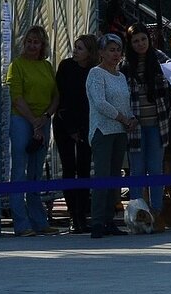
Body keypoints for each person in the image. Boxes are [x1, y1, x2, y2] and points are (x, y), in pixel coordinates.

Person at [6, 25, 59, 236]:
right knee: (19, 170)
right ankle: (21, 223)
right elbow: (16, 97)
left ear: (42, 45)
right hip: (21, 119)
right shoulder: (16, 65)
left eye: (36, 42)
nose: (32, 45)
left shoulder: (47, 67)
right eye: (29, 41)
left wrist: (44, 118)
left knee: (36, 172)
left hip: (43, 119)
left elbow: (56, 95)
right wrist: (33, 121)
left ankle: (39, 221)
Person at [123, 24, 171, 232]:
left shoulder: (161, 59)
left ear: (149, 39)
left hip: (157, 122)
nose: (140, 44)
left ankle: (156, 213)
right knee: (136, 171)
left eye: (143, 39)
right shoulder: (125, 64)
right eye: (135, 41)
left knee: (155, 169)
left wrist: (170, 114)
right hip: (134, 125)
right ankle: (136, 215)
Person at [86, 33, 137, 238]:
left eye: (118, 50)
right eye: (111, 50)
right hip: (103, 131)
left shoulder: (121, 76)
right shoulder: (96, 74)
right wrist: (123, 118)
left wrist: (131, 118)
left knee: (115, 177)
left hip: (120, 132)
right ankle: (97, 221)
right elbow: (100, 103)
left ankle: (109, 219)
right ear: (101, 52)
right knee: (102, 176)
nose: (116, 54)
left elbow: (125, 102)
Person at [55, 34, 99, 233]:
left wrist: (82, 129)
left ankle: (82, 214)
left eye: (80, 48)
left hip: (86, 124)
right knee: (68, 168)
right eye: (75, 47)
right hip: (65, 122)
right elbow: (62, 97)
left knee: (83, 169)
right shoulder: (66, 67)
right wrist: (71, 128)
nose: (75, 51)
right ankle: (73, 214)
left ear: (90, 52)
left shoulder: (94, 71)